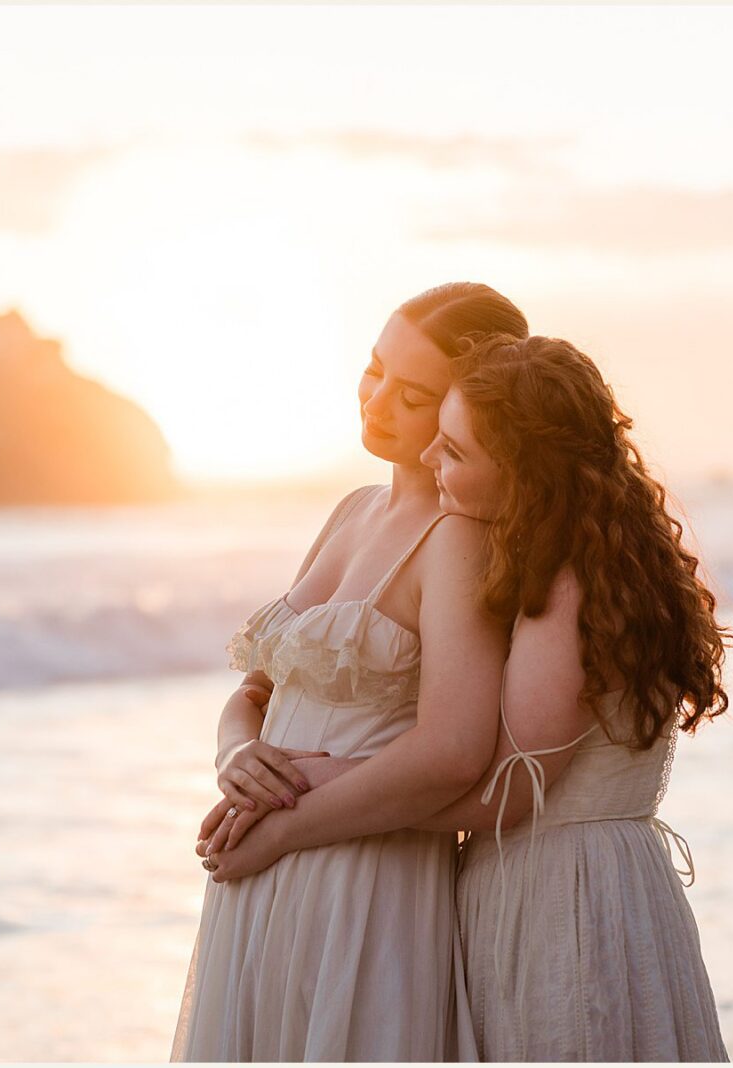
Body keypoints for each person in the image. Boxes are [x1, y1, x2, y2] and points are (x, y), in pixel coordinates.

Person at [206, 333, 733, 1061]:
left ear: (525, 475)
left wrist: (315, 796)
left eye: (455, 451)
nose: (429, 459)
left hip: (559, 901)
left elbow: (514, 788)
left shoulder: (563, 584)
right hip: (585, 883)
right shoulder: (601, 561)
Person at [170, 283, 529, 1061]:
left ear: (469, 407)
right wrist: (237, 756)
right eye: (374, 370)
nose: (377, 401)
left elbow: (452, 752)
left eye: (414, 395)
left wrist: (282, 833)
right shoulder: (351, 510)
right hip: (262, 874)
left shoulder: (456, 539)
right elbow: (257, 689)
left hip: (362, 883)